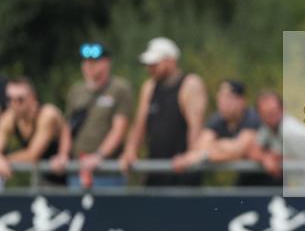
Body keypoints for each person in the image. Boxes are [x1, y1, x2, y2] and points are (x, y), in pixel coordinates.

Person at [119, 37, 207, 186]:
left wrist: (190, 157)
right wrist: (130, 150)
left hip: (182, 171)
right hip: (156, 169)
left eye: (155, 64)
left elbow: (196, 128)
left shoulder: (190, 85)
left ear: (171, 61)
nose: (150, 69)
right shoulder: (149, 87)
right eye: (149, 65)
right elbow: (139, 124)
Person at [51, 42, 133, 188]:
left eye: (94, 62)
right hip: (78, 168)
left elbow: (119, 128)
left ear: (107, 63)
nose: (89, 65)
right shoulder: (76, 90)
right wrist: (63, 154)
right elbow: (68, 127)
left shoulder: (119, 88)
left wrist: (99, 155)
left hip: (107, 169)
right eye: (85, 62)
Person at [173, 80, 272, 185]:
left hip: (269, 180)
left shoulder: (253, 119)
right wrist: (191, 157)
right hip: (245, 180)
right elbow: (201, 145)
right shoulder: (218, 119)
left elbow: (237, 150)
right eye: (220, 97)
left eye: (227, 98)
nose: (222, 102)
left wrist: (204, 155)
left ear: (241, 101)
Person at [249, 90, 305, 187]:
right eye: (265, 113)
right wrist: (265, 158)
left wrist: (274, 159)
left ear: (283, 109)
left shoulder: (289, 131)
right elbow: (254, 150)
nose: (270, 116)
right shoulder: (268, 128)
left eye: (273, 111)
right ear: (260, 115)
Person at [0, 77, 67, 186]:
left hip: (72, 174)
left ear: (32, 98)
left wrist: (5, 160)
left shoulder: (47, 115)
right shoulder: (10, 117)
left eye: (20, 99)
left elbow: (32, 155)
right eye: (9, 99)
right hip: (45, 176)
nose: (14, 104)